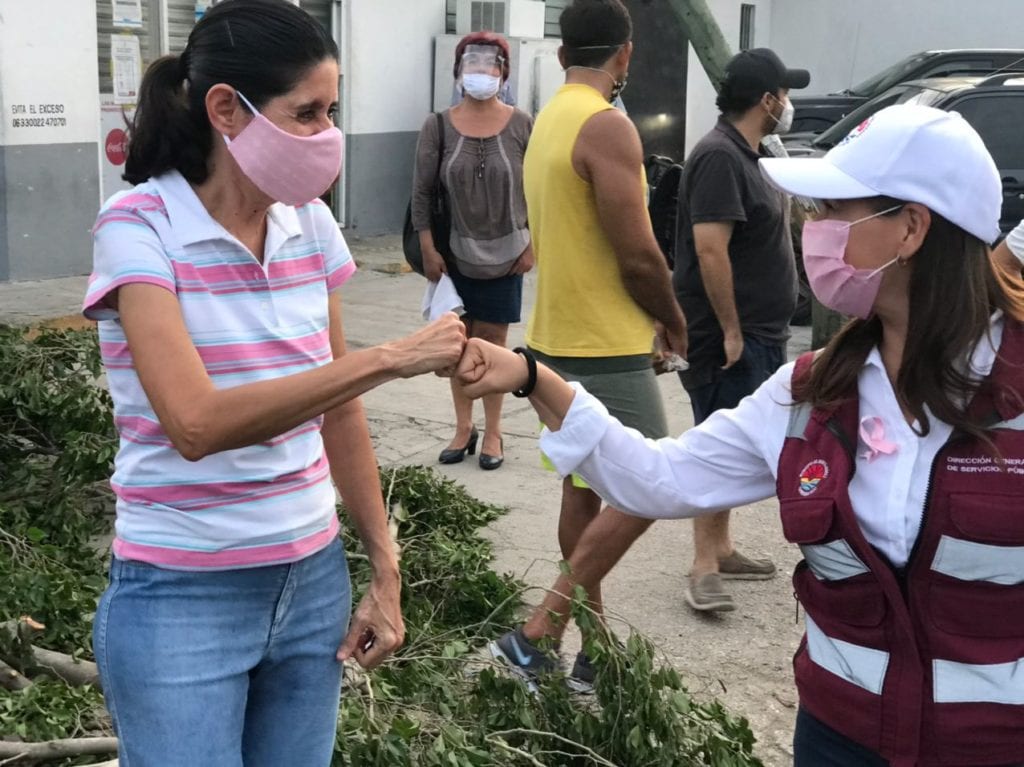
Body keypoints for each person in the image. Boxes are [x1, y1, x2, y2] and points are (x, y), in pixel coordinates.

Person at [458, 104, 1024, 766]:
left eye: (834, 209)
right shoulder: (810, 393)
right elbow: (659, 478)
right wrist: (532, 378)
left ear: (911, 228)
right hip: (839, 739)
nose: (811, 229)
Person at [82, 2, 465, 764]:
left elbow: (337, 411)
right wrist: (389, 357)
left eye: (333, 110)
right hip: (181, 595)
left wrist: (382, 564)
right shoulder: (138, 228)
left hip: (312, 582)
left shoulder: (310, 225)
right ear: (227, 109)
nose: (328, 134)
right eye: (307, 113)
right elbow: (194, 423)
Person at [486, 0, 688, 693]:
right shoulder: (608, 128)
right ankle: (539, 627)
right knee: (654, 483)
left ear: (564, 47)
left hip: (551, 343)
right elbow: (636, 253)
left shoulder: (549, 119)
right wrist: (673, 317)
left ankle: (590, 650)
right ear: (624, 54)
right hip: (604, 346)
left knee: (584, 488)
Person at [672, 48, 809, 612]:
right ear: (768, 100)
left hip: (761, 331)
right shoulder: (719, 157)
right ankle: (704, 565)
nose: (789, 104)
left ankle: (723, 547)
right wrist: (729, 329)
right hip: (731, 335)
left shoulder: (752, 153)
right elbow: (710, 248)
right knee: (719, 443)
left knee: (738, 441)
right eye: (785, 93)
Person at [412, 30, 533, 472]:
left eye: (491, 64)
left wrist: (533, 242)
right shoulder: (438, 126)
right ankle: (463, 427)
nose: (481, 71)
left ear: (504, 73)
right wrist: (428, 247)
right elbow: (422, 192)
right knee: (458, 345)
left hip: (509, 253)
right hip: (453, 254)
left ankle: (495, 430)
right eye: (472, 63)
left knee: (494, 346)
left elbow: (538, 189)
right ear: (458, 71)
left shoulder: (522, 123)